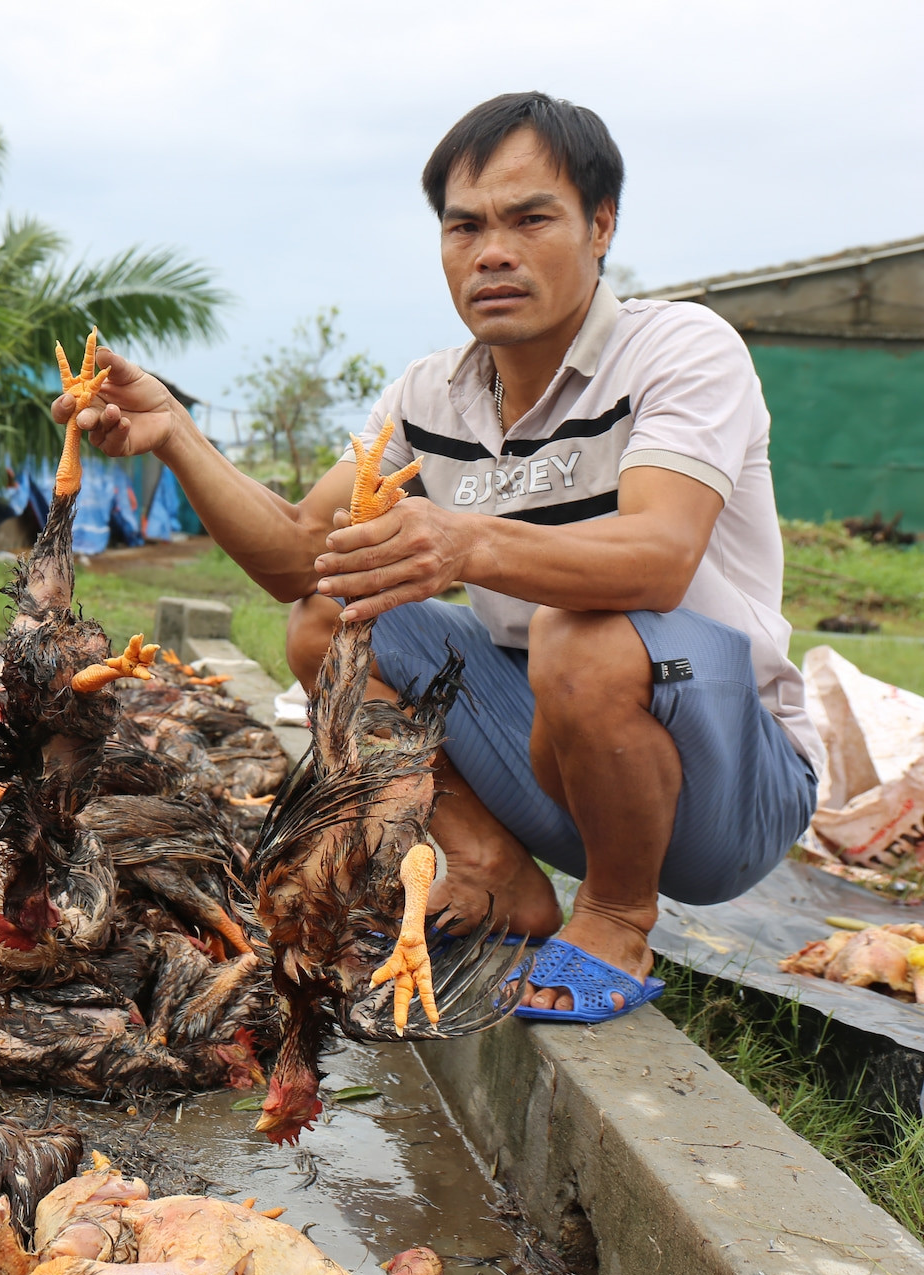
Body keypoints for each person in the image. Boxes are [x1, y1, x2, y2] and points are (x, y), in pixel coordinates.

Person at [53, 91, 819, 1023]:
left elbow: (659, 558)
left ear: (601, 225)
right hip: (561, 753)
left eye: (530, 218)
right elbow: (302, 559)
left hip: (730, 783)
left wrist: (464, 539)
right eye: (465, 227)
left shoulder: (678, 350)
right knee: (333, 620)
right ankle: (494, 870)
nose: (492, 251)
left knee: (580, 634)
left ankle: (617, 913)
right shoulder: (430, 396)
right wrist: (174, 432)